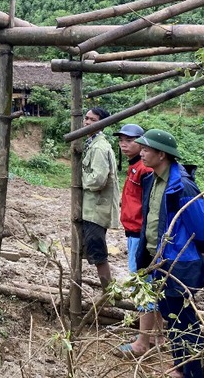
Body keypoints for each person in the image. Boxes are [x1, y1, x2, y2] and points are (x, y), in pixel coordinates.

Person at [135, 129, 204, 378]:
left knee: (185, 321)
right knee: (171, 316)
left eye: (147, 149)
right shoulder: (153, 179)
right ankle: (181, 367)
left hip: (180, 262)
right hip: (158, 261)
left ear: (162, 154)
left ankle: (192, 372)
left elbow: (201, 227)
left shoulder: (182, 186)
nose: (142, 152)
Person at [112, 123, 163, 358]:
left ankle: (143, 342)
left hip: (141, 235)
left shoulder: (145, 169)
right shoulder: (135, 167)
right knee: (153, 283)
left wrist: (145, 236)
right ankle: (158, 336)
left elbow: (151, 207)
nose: (124, 144)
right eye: (121, 139)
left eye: (130, 140)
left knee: (143, 285)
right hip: (134, 233)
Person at [80, 107, 120, 289]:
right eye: (86, 118)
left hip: (96, 209)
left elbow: (97, 180)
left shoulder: (99, 148)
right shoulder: (92, 143)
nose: (87, 122)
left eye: (93, 120)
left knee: (97, 252)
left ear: (102, 123)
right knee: (92, 248)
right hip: (91, 208)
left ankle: (108, 291)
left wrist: (80, 180)